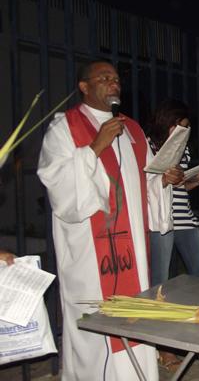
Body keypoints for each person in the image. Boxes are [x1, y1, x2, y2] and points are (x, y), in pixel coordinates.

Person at [37, 60, 183, 380]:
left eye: (116, 78)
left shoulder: (132, 129)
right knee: (93, 322)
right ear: (84, 87)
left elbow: (147, 181)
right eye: (103, 78)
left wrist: (164, 180)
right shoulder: (64, 127)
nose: (113, 83)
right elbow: (58, 183)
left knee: (135, 318)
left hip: (130, 245)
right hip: (89, 253)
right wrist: (94, 147)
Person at [146, 99, 199, 287]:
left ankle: (198, 313)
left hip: (185, 217)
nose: (181, 132)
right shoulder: (148, 146)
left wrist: (197, 180)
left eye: (185, 128)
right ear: (165, 122)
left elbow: (179, 187)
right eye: (178, 126)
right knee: (160, 280)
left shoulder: (184, 149)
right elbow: (149, 186)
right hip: (161, 220)